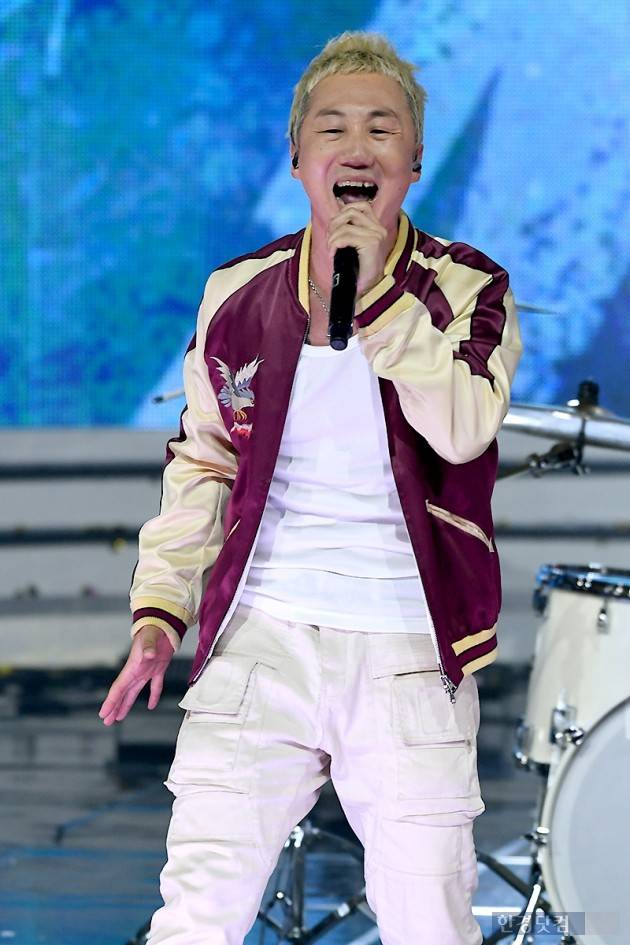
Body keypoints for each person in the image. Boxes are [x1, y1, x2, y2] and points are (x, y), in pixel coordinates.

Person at [99, 30, 522, 945]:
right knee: (195, 915)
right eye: (333, 128)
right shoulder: (238, 292)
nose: (357, 145)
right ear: (298, 158)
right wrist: (160, 609)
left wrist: (379, 302)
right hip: (262, 635)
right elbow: (203, 461)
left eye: (382, 127)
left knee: (429, 923)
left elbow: (463, 426)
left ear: (414, 160)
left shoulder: (466, 287)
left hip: (410, 644)